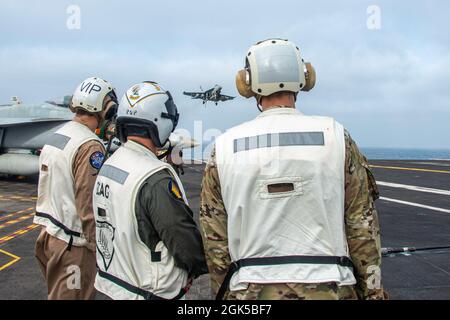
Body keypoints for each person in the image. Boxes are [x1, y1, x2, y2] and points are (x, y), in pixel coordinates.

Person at [200, 39, 386, 300]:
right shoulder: (335, 136)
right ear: (304, 77)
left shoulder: (224, 147)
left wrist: (222, 294)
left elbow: (215, 241)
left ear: (246, 82)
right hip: (332, 288)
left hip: (249, 292)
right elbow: (362, 227)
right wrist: (372, 293)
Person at [93, 81, 207, 300]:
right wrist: (203, 263)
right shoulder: (153, 176)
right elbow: (182, 238)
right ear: (159, 121)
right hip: (148, 292)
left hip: (113, 286)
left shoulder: (110, 164)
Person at [34, 77, 118, 299]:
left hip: (48, 234)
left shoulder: (59, 135)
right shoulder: (90, 145)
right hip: (74, 245)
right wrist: (100, 249)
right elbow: (88, 202)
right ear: (104, 108)